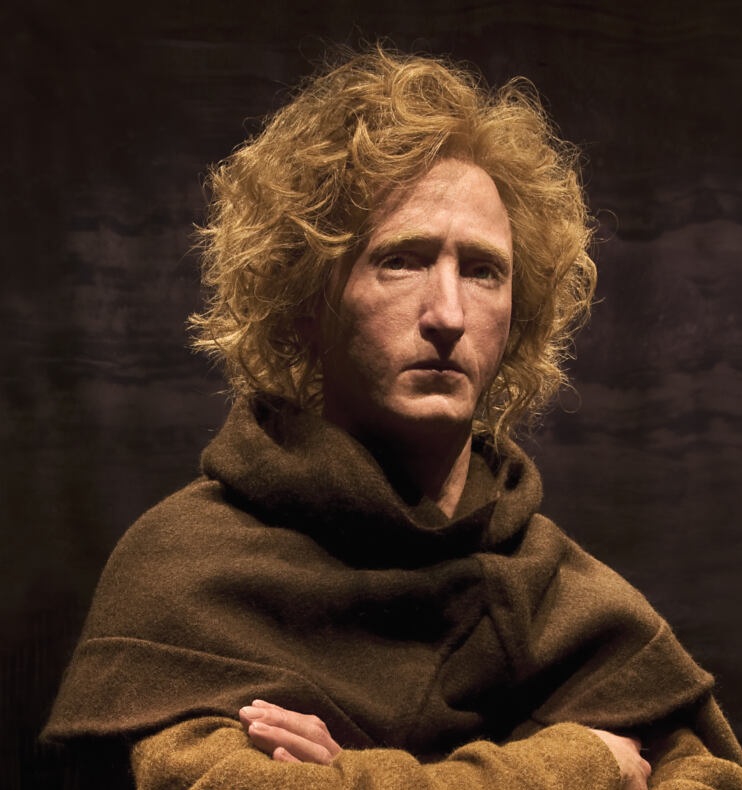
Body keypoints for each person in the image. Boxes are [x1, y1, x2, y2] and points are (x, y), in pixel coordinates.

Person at [43, 46, 742, 789]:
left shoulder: (561, 592)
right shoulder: (188, 570)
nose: (448, 314)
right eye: (402, 261)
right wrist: (574, 767)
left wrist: (348, 777)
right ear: (307, 296)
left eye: (483, 270)